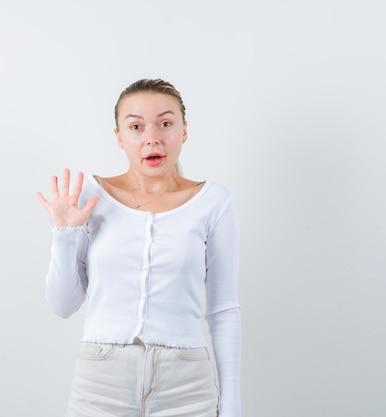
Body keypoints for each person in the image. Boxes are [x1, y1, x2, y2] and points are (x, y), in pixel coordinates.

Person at [36, 79, 241, 417]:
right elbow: (62, 305)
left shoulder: (214, 202)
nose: (152, 138)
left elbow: (223, 310)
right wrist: (64, 233)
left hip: (187, 384)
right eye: (135, 126)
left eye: (165, 123)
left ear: (184, 130)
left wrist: (232, 404)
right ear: (119, 136)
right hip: (101, 381)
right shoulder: (88, 196)